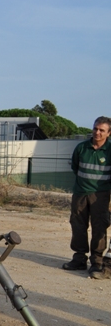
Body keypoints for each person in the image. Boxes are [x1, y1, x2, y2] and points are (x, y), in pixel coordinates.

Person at [63, 116, 111, 277]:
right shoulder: (81, 148)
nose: (97, 132)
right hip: (80, 193)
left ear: (108, 133)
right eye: (95, 128)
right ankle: (79, 258)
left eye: (101, 130)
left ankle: (97, 261)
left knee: (99, 227)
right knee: (78, 225)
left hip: (101, 196)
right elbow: (76, 167)